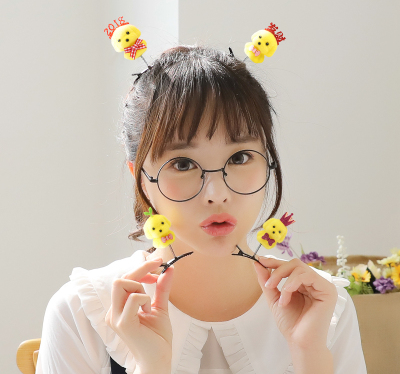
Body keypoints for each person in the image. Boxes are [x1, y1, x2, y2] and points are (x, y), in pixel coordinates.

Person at [36, 45, 367, 374]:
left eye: (240, 158)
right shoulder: (83, 313)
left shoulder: (321, 307)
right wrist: (151, 366)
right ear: (140, 178)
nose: (217, 194)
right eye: (182, 164)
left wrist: (310, 355)